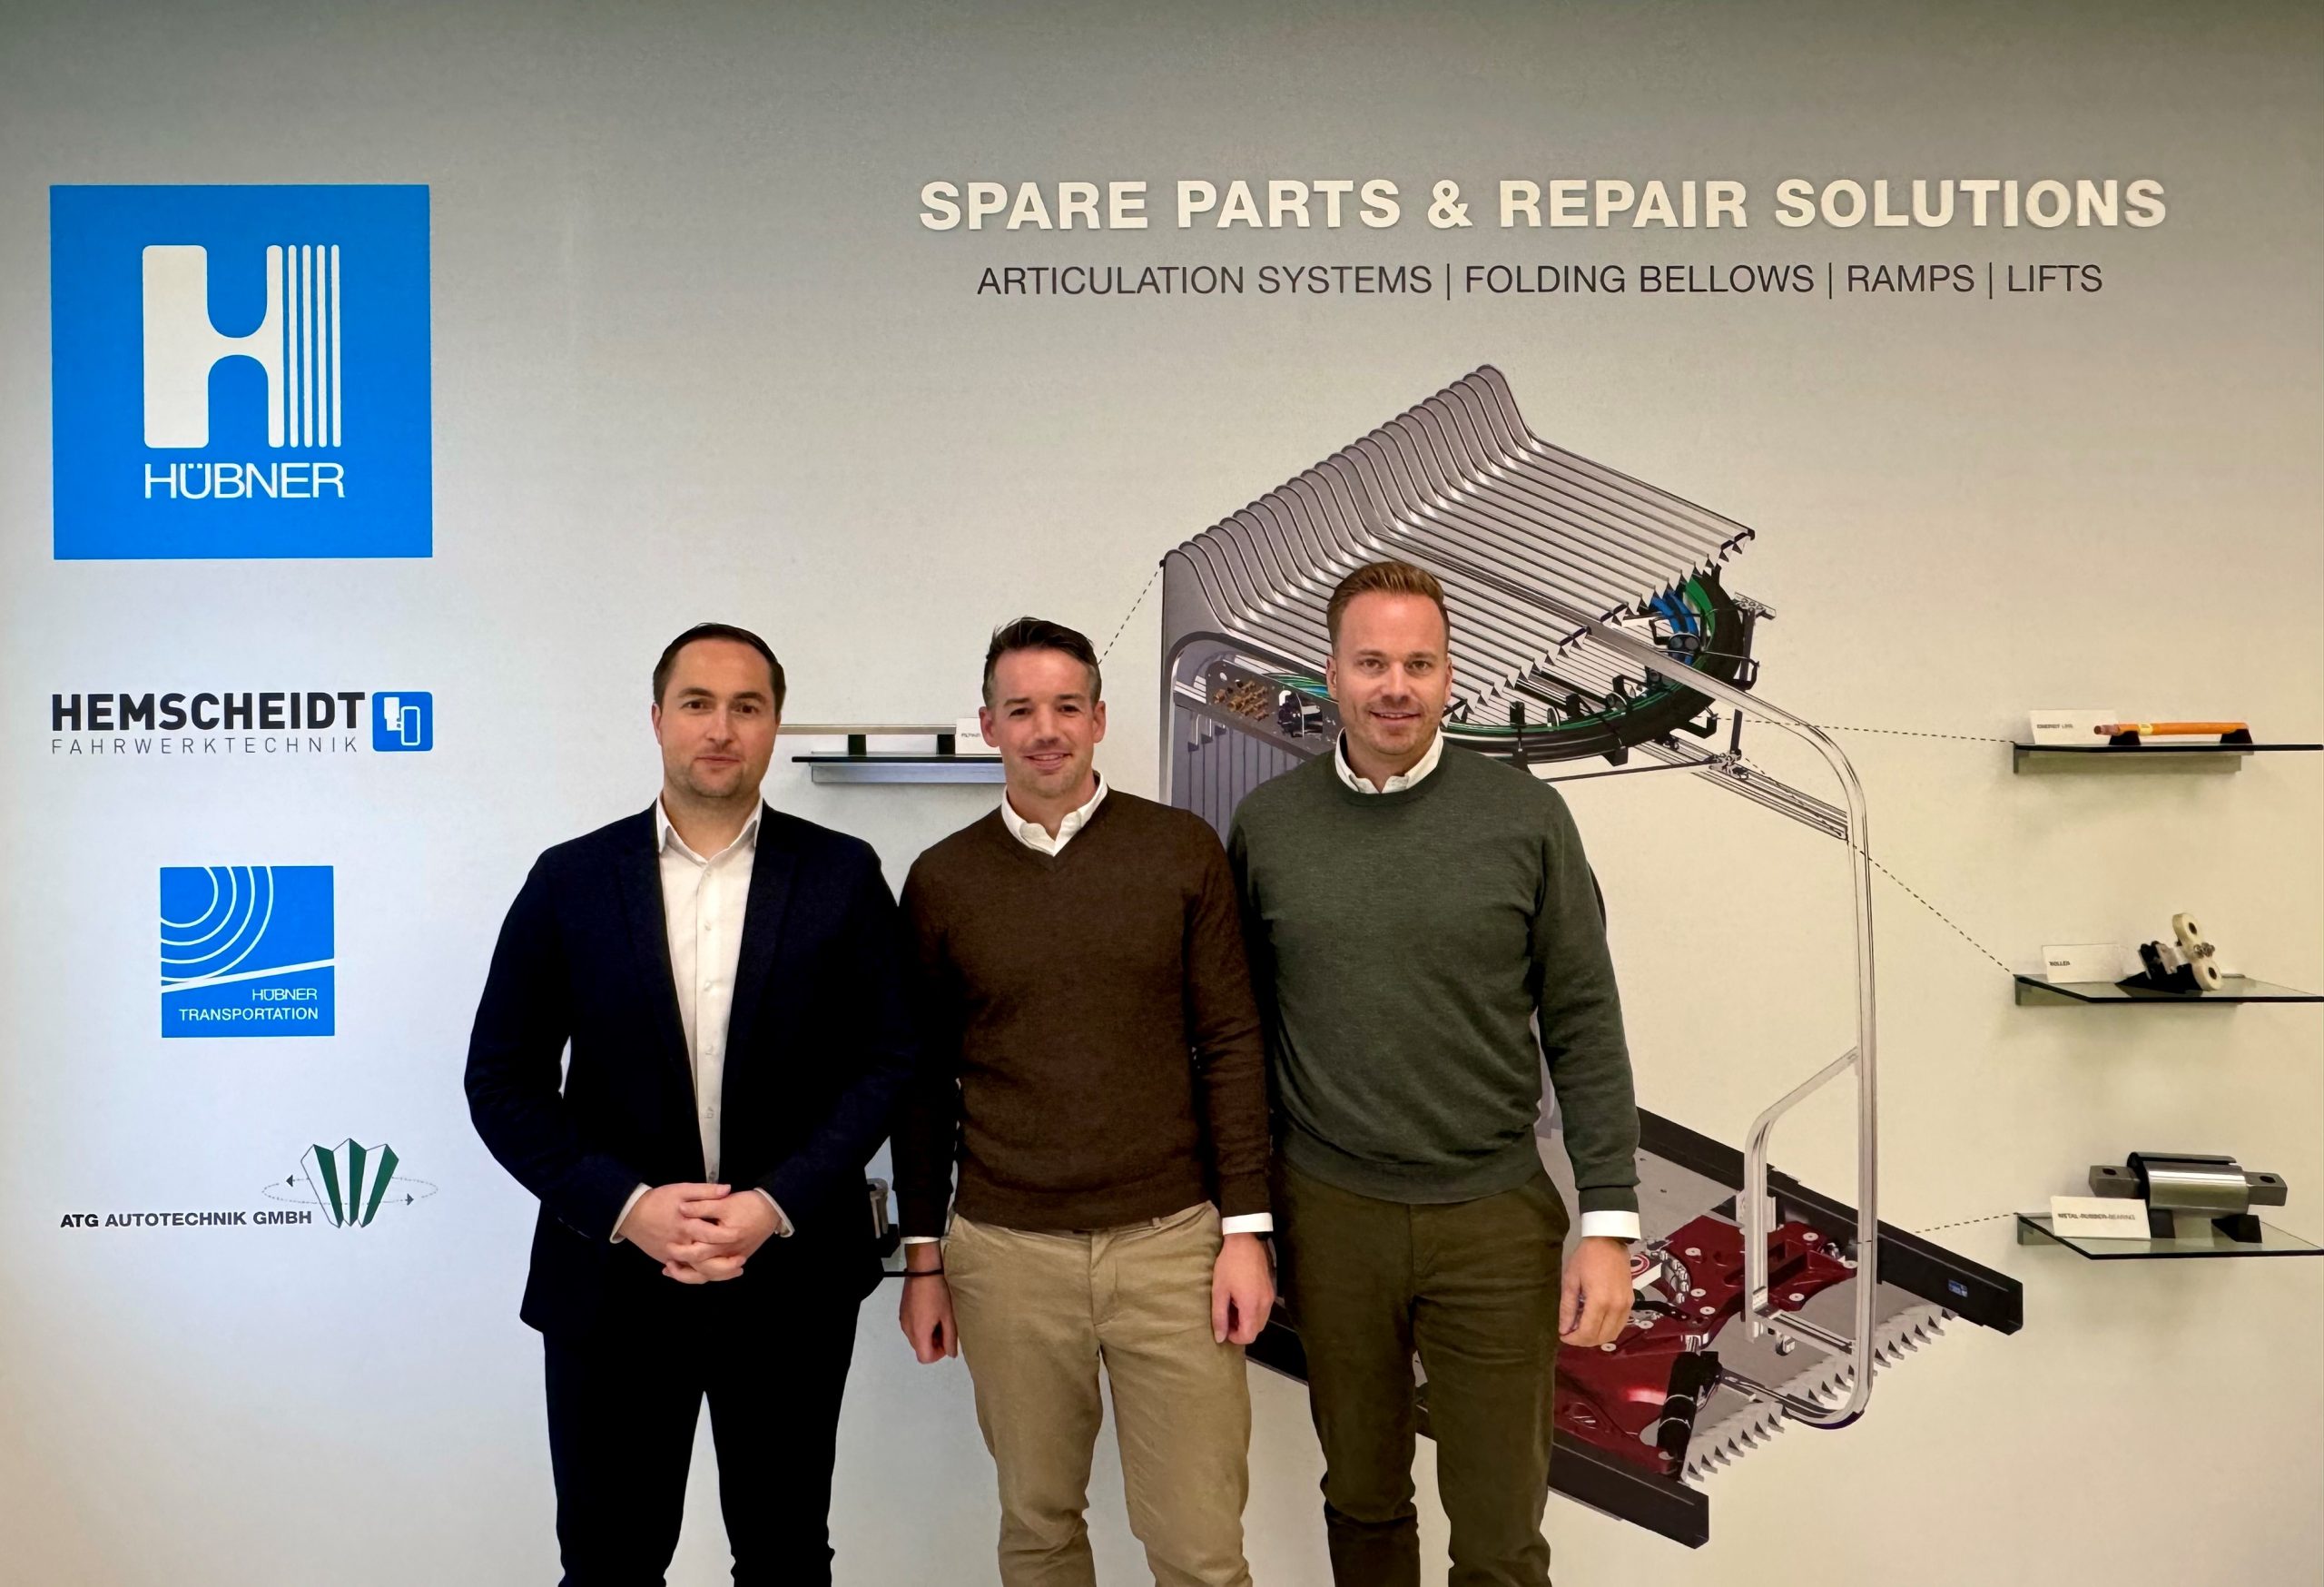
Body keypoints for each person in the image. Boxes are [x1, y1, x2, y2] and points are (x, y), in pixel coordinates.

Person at [465, 621, 916, 1587]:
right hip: (611, 1281)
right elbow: (501, 1080)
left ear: (774, 724)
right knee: (608, 1564)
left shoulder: (840, 875)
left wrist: (775, 1201)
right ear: (657, 718)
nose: (721, 728)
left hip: (789, 1277)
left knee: (786, 1557)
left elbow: (886, 1061)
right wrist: (628, 1206)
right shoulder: (570, 881)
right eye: (698, 703)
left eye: (746, 707)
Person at [1228, 562, 1640, 1587]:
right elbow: (1237, 1036)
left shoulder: (1526, 818)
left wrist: (1608, 1223)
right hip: (1331, 1214)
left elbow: (1585, 1021)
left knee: (1501, 1534)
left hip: (1493, 1218)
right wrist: (1243, 1219)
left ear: (1451, 675)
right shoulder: (1268, 825)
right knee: (1363, 1500)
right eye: (1371, 662)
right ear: (1331, 673)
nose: (1395, 686)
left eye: (1419, 663)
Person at [893, 616, 1275, 1587]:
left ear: (1099, 719)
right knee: (1039, 1529)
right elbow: (920, 1080)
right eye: (1021, 709)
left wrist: (1246, 1229)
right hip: (1007, 1255)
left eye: (1066, 706)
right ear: (989, 725)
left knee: (1199, 1547)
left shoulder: (1180, 851)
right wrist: (923, 1257)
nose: (1045, 729)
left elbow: (1233, 1041)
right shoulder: (941, 880)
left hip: (1173, 1248)